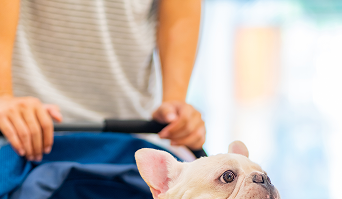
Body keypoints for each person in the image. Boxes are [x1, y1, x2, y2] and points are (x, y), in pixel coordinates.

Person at [0, 0, 205, 161]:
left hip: (132, 139)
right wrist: (3, 96)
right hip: (23, 136)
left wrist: (175, 103)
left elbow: (181, 16)